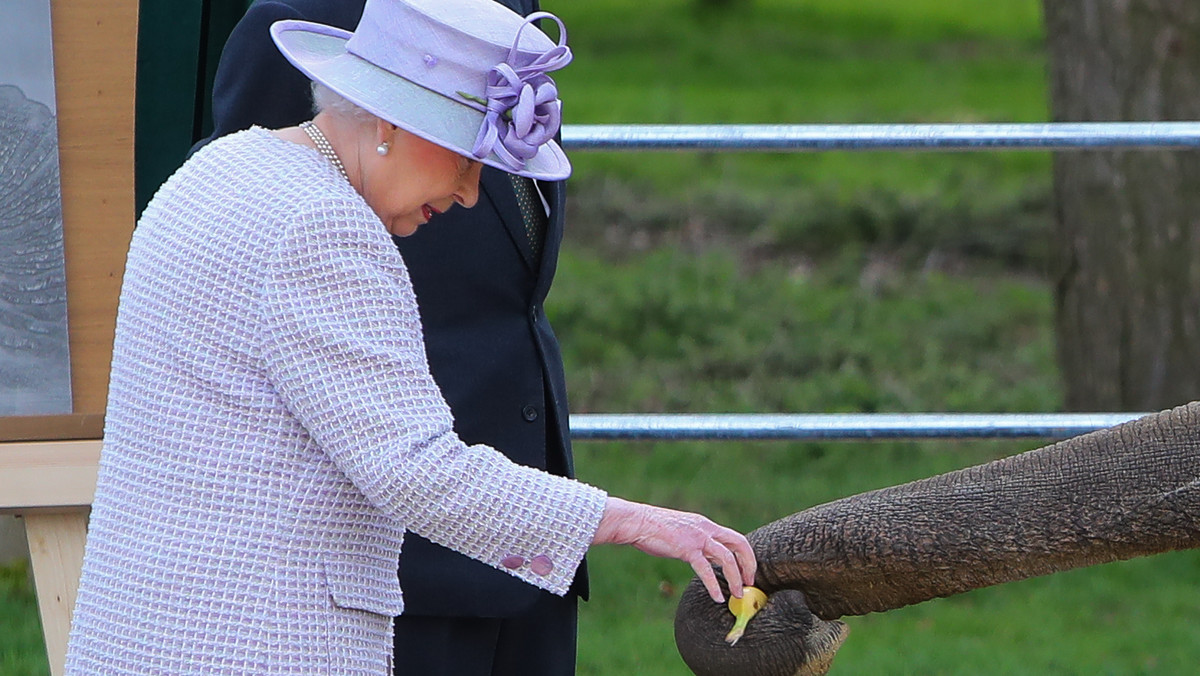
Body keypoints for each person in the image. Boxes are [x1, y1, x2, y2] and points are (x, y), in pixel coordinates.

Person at [63, 0, 756, 673]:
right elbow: (417, 470)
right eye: (467, 159)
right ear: (393, 123)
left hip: (147, 629)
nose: (470, 193)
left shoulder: (213, 175)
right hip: (259, 641)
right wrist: (629, 520)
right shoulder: (324, 226)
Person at [191, 0, 591, 673]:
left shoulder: (514, 16)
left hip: (534, 543)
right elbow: (243, 240)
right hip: (388, 565)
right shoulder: (307, 17)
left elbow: (512, 289)